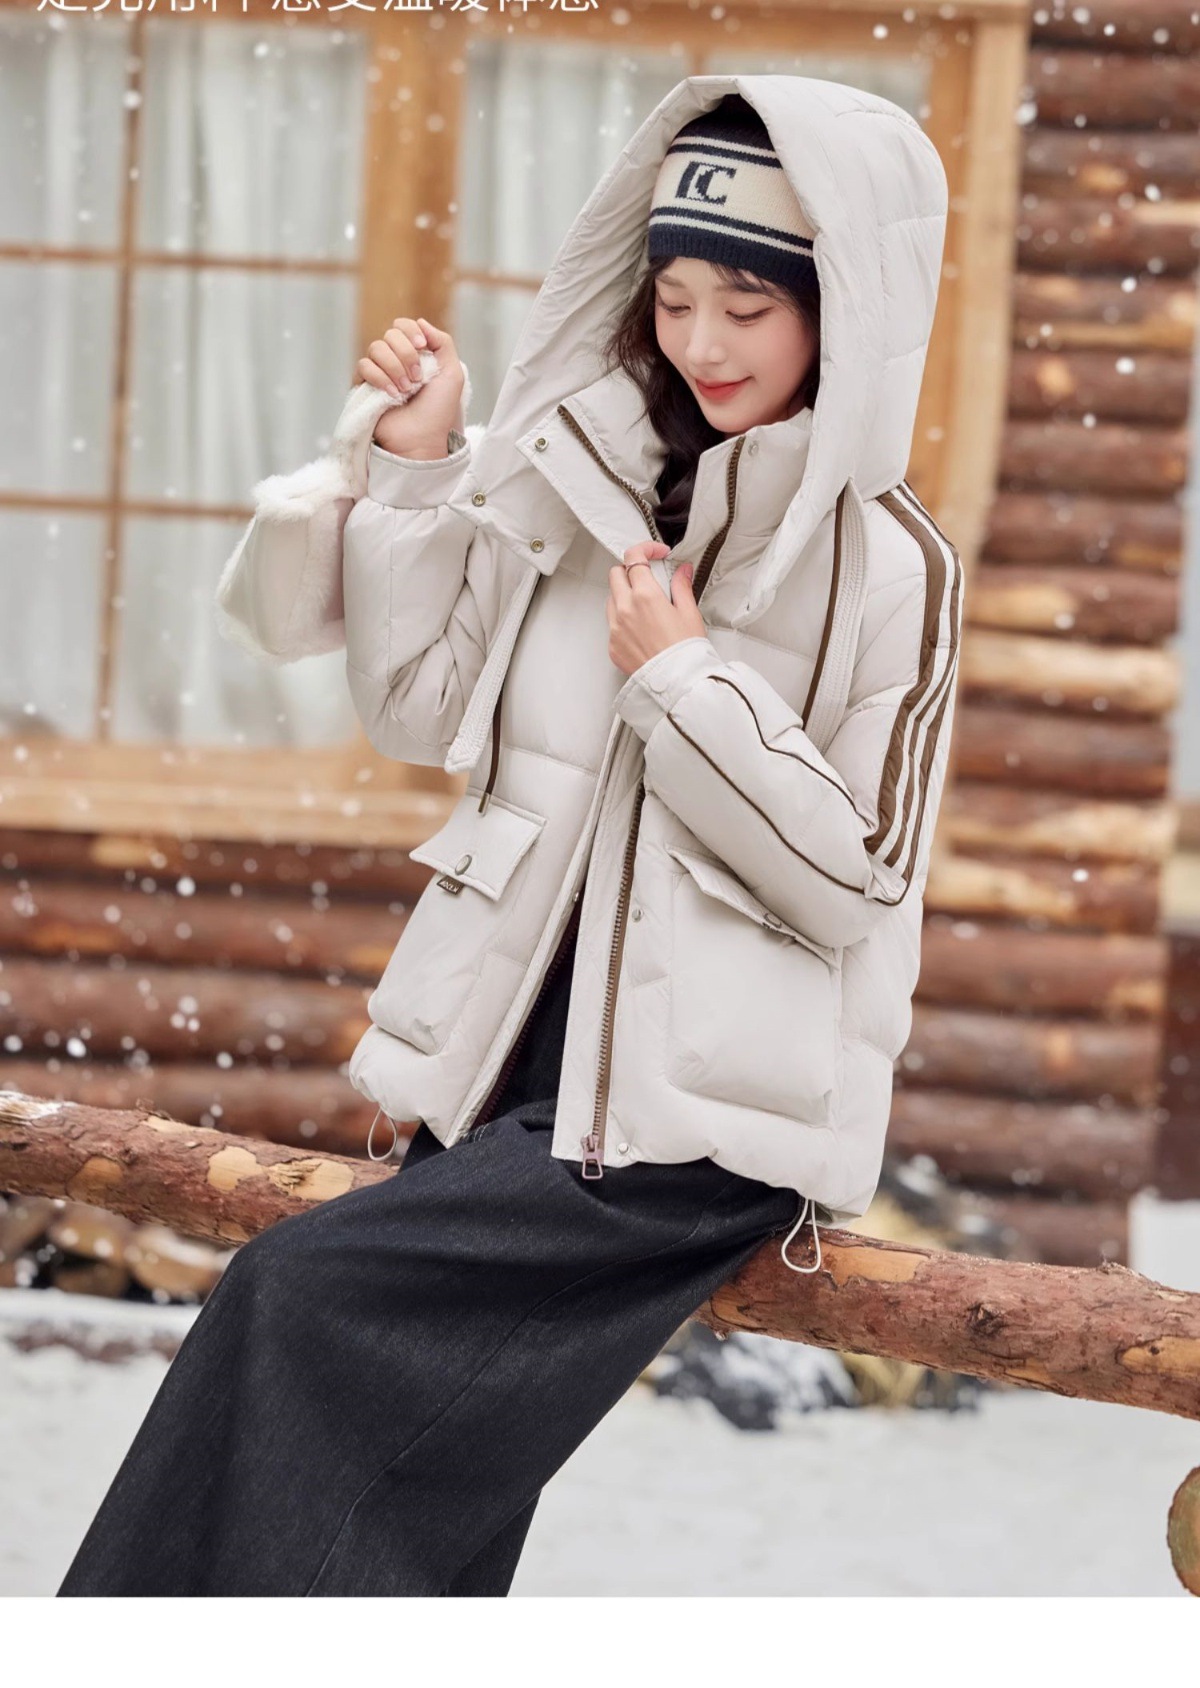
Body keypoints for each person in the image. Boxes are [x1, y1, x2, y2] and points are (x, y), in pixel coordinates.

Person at [58, 79, 962, 1598]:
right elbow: (421, 704)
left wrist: (686, 682)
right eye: (674, 298)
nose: (706, 341)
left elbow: (858, 873)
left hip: (683, 1141)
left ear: (845, 310)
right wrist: (419, 470)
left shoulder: (890, 568)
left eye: (751, 305)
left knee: (292, 1304)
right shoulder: (586, 484)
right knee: (415, 1511)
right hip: (499, 1091)